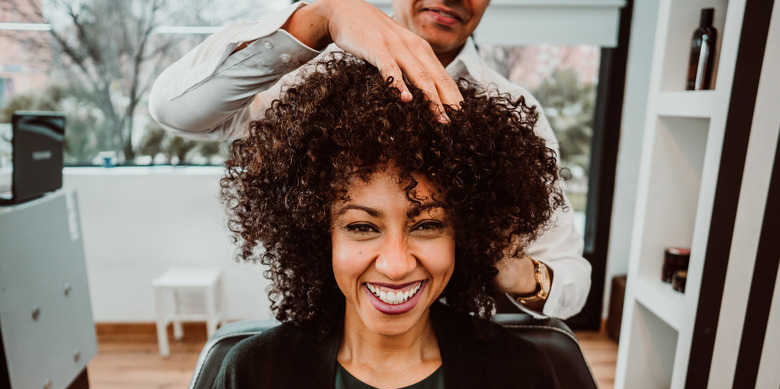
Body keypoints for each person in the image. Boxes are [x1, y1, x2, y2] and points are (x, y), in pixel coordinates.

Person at [203, 54, 574, 389]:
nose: (395, 265)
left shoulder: (523, 377)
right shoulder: (251, 378)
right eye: (362, 227)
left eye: (428, 225)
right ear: (318, 231)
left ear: (465, 233)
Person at [149, 0, 591, 319]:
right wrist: (321, 18)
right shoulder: (306, 82)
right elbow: (175, 110)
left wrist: (502, 266)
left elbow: (571, 280)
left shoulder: (512, 108)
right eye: (362, 225)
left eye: (427, 224)